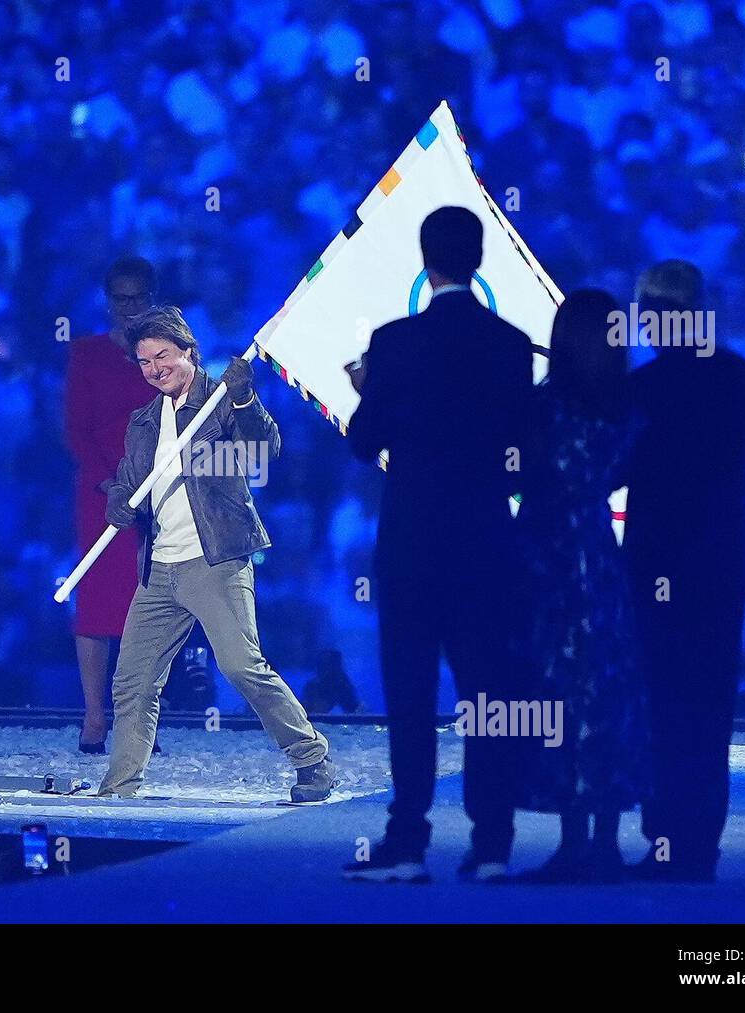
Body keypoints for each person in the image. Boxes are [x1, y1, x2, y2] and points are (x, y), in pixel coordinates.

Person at [341, 206, 534, 883]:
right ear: (479, 260)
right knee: (489, 691)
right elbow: (522, 449)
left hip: (414, 542)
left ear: (428, 262)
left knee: (412, 692)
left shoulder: (395, 342)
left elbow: (365, 444)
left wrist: (368, 392)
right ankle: (493, 841)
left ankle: (408, 839)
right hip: (486, 543)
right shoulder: (511, 345)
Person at [97, 305, 337, 801]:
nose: (154, 369)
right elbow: (128, 481)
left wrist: (246, 399)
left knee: (240, 665)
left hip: (216, 560)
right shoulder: (143, 422)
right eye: (144, 362)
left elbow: (263, 452)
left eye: (163, 356)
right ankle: (121, 785)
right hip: (158, 568)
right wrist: (118, 499)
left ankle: (312, 759)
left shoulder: (221, 400)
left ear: (189, 349)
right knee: (132, 681)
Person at [622, 260, 745, 882]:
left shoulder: (643, 390)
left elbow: (617, 472)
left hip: (655, 565)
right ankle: (699, 843)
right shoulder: (740, 379)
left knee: (661, 704)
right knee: (709, 707)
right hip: (719, 568)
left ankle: (667, 841)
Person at [512, 289, 648, 883]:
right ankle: (608, 841)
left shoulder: (541, 407)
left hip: (546, 554)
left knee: (557, 689)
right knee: (606, 691)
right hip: (598, 552)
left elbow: (514, 469)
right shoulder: (628, 408)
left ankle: (572, 839)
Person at [64, 256, 160, 752]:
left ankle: (138, 719)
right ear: (108, 301)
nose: (129, 307)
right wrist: (108, 484)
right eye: (120, 298)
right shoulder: (85, 355)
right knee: (98, 602)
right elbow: (76, 428)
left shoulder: (166, 358)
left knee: (151, 605)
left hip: (155, 495)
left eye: (138, 297)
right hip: (101, 496)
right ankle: (94, 717)